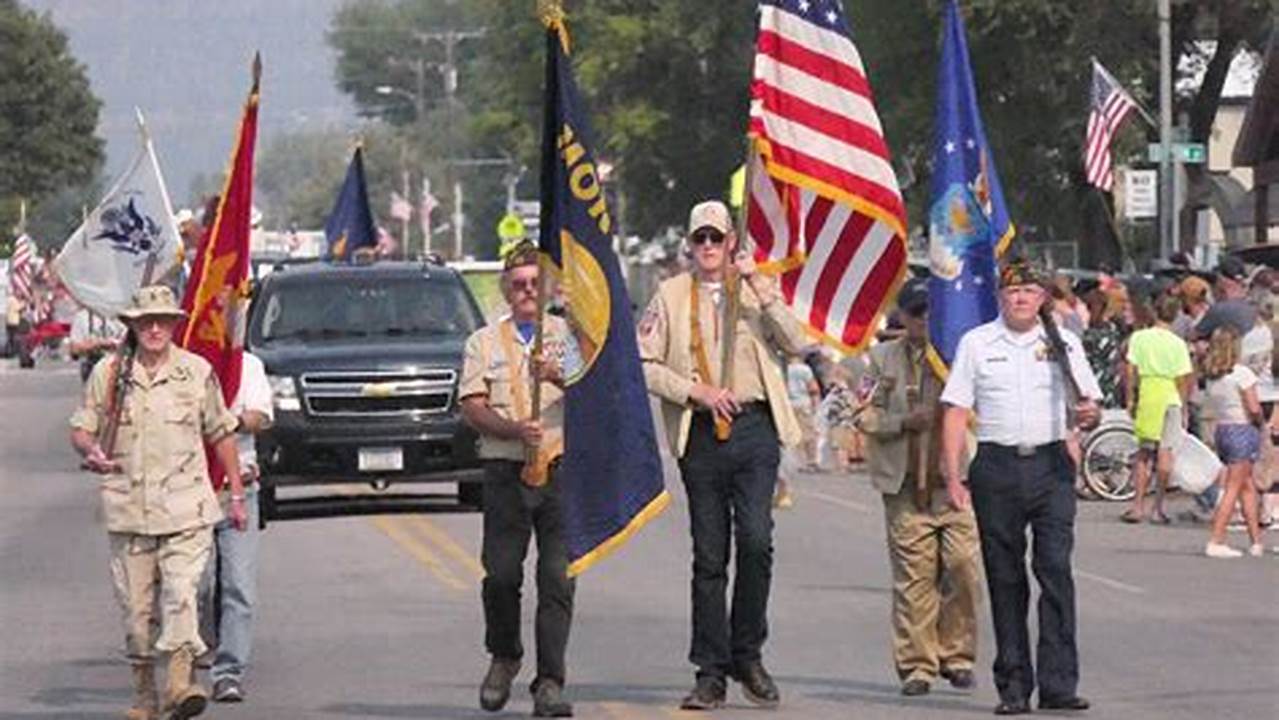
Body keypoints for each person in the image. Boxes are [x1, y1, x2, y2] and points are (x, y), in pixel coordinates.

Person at [638, 200, 808, 710]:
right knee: (710, 556)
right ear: (690, 245)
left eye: (717, 238)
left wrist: (760, 286)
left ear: (732, 240)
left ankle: (748, 655)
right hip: (703, 433)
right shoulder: (669, 296)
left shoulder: (758, 292)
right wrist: (696, 391)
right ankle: (710, 670)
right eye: (700, 239)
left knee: (756, 541)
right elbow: (643, 363)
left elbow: (797, 344)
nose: (709, 248)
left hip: (755, 429)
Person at [68, 285, 246, 720]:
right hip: (129, 511)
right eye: (145, 321)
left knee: (182, 595)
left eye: (162, 321)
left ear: (173, 325)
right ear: (131, 325)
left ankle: (181, 683)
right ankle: (145, 694)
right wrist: (88, 449)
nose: (153, 328)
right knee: (136, 613)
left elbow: (221, 433)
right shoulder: (109, 375)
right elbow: (82, 427)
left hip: (186, 509)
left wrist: (237, 494)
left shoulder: (196, 372)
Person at [939, 260, 1102, 716]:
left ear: (1043, 297)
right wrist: (953, 476)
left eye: (1030, 291)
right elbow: (954, 411)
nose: (1021, 298)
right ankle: (1013, 686)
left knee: (1055, 572)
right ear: (1000, 296)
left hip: (1050, 465)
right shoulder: (976, 343)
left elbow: (1089, 403)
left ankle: (1059, 685)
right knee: (1006, 578)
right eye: (1013, 291)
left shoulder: (1062, 342)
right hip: (997, 466)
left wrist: (1089, 416)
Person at [459, 242, 576, 718]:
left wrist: (561, 375)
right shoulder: (483, 342)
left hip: (561, 467)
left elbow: (600, 394)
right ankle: (504, 654)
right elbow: (471, 405)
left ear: (546, 288)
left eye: (534, 283)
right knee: (502, 574)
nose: (527, 291)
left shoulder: (568, 336)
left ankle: (549, 681)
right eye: (519, 284)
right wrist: (512, 428)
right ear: (507, 290)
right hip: (506, 468)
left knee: (557, 579)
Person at [855, 279, 982, 697]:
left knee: (963, 567)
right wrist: (900, 423)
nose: (924, 320)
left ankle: (958, 655)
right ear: (903, 316)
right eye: (916, 313)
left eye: (931, 312)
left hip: (955, 484)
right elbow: (861, 413)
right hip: (905, 485)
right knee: (915, 578)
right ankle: (917, 665)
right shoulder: (881, 359)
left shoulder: (961, 358)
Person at [199, 349, 273, 702]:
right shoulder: (186, 364)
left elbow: (260, 417)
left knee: (238, 586)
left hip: (238, 488)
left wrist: (224, 422)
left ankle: (228, 672)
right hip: (190, 490)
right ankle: (193, 652)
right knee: (195, 587)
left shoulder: (247, 365)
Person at [1121, 294, 1194, 525]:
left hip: (1149, 392)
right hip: (1170, 394)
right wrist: (1183, 407)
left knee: (1143, 453)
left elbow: (1130, 370)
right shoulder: (1178, 343)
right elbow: (1183, 378)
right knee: (1166, 453)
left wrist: (1131, 397)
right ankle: (1158, 506)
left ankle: (1137, 505)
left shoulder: (1139, 338)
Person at [1201, 327, 1268, 557]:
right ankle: (1216, 539)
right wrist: (1261, 421)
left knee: (1246, 485)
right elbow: (1253, 407)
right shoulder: (1242, 374)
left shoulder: (1213, 376)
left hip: (1223, 428)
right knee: (1233, 487)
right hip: (1242, 428)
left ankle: (1256, 540)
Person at [68, 306, 126, 382]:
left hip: (118, 368)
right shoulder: (82, 317)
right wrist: (97, 344)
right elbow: (74, 350)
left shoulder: (120, 315)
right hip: (91, 369)